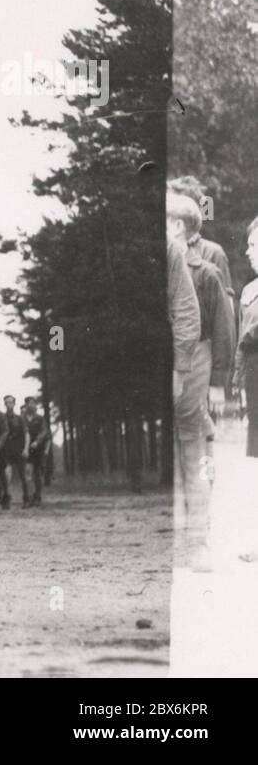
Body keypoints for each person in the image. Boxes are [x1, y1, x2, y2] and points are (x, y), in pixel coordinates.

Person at [167, 192, 234, 572]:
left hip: (198, 363)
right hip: (183, 365)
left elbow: (222, 329)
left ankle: (200, 540)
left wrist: (218, 385)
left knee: (195, 455)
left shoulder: (206, 269)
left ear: (178, 227)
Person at [234, 215, 258, 563]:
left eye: (254, 244)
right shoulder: (249, 292)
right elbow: (241, 342)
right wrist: (238, 384)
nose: (247, 251)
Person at [0, 395, 29, 509]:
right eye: (7, 402)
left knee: (22, 475)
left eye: (11, 402)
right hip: (6, 449)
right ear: (4, 404)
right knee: (6, 475)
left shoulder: (20, 419)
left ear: (14, 404)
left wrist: (26, 448)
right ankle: (5, 498)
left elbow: (26, 433)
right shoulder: (2, 417)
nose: (9, 404)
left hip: (18, 449)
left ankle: (26, 499)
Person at [22, 396, 50, 507]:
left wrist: (37, 442)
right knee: (27, 473)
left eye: (33, 403)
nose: (31, 405)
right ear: (26, 405)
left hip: (38, 449)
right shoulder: (22, 418)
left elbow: (44, 432)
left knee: (37, 474)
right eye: (29, 403)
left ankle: (37, 496)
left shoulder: (40, 418)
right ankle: (28, 498)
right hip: (26, 448)